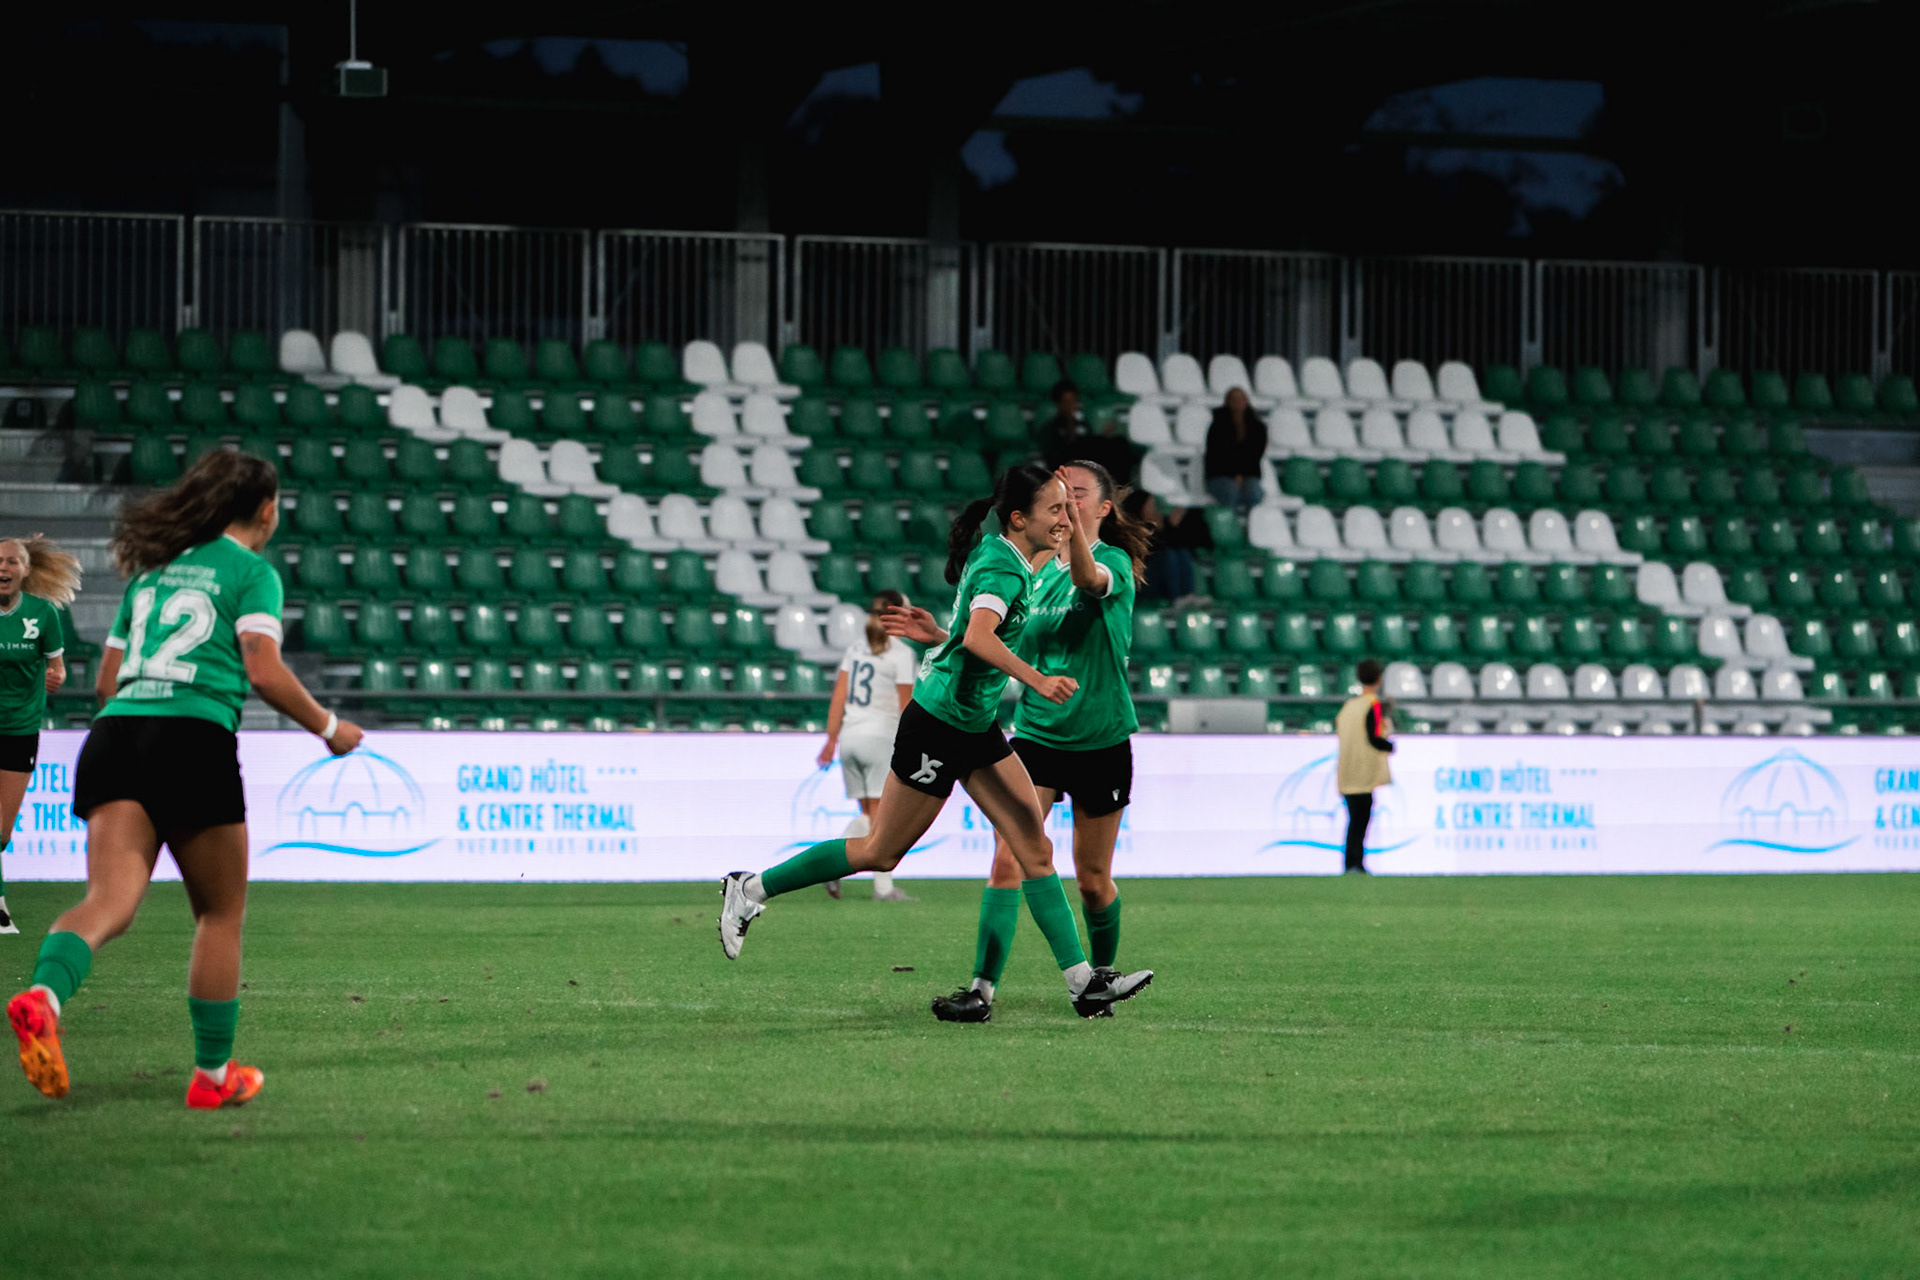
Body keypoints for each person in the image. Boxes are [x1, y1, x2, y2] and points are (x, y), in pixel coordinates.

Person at [717, 463, 1152, 1017]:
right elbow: (979, 636)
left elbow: (971, 640)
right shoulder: (1005, 568)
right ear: (1021, 519)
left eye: (1070, 506)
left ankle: (1081, 983)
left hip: (974, 723)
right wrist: (1036, 679)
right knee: (881, 851)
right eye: (1054, 509)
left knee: (1033, 847)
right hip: (941, 723)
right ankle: (750, 888)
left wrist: (941, 639)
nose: (1063, 520)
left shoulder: (1018, 557)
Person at [7, 450, 364, 1107]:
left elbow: (106, 683)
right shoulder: (251, 575)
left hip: (117, 734)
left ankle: (43, 996)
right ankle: (211, 1079)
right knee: (219, 914)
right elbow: (261, 670)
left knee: (108, 902)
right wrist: (329, 725)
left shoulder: (151, 577)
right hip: (193, 737)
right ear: (265, 509)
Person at [885, 462, 1153, 1023]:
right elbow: (1000, 639)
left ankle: (1099, 978)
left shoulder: (1112, 564)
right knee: (1009, 860)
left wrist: (1072, 534)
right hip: (1035, 735)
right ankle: (982, 988)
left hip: (1101, 737)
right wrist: (943, 636)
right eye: (1061, 498)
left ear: (1102, 509)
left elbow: (1088, 580)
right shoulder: (1033, 570)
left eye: (1078, 496)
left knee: (1094, 878)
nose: (1068, 505)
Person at [815, 589, 919, 903]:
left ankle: (835, 866)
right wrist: (913, 744)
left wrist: (831, 739)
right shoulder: (900, 653)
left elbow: (839, 695)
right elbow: (906, 705)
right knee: (881, 821)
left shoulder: (855, 649)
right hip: (880, 739)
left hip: (851, 738)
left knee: (869, 816)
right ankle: (879, 886)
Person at [0, 535, 81, 935]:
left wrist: (56, 678)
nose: (3, 567)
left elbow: (59, 668)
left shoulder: (42, 614)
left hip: (19, 729)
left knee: (1, 831)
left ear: (26, 570)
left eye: (12, 561)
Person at [1335, 659, 1394, 875]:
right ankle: (1355, 864)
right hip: (1363, 772)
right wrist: (1389, 745)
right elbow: (1374, 736)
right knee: (1360, 821)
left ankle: (1350, 863)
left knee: (1353, 820)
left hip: (1346, 770)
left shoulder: (1349, 706)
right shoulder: (1374, 705)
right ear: (1379, 679)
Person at [1204, 386, 1267, 515]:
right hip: (1219, 475)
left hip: (1248, 474)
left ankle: (1255, 527)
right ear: (1228, 402)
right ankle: (1230, 527)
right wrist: (1234, 474)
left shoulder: (1258, 427)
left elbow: (1255, 454)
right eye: (1234, 399)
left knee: (1255, 491)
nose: (1238, 403)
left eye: (1241, 399)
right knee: (1230, 490)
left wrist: (1241, 474)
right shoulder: (1217, 426)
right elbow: (1217, 455)